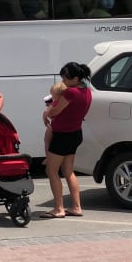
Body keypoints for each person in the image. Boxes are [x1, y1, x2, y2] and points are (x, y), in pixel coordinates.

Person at [41, 62, 92, 219]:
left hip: (63, 135)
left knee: (52, 170)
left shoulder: (71, 93)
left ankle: (58, 208)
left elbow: (54, 112)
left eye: (65, 78)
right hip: (75, 133)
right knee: (68, 171)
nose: (63, 80)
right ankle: (76, 206)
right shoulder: (86, 91)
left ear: (75, 78)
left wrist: (47, 111)